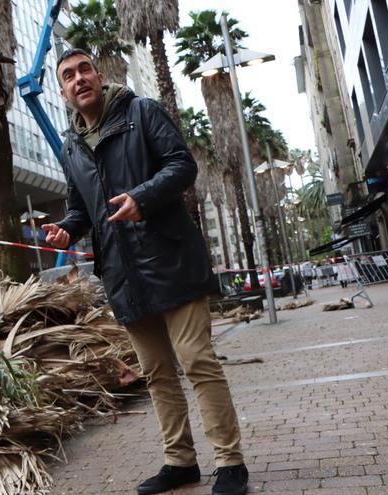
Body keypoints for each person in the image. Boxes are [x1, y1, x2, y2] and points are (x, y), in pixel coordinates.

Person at [42, 48, 248, 495]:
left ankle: (230, 462)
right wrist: (65, 230)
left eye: (84, 70)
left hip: (170, 259)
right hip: (122, 272)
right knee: (156, 371)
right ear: (62, 92)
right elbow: (82, 208)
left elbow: (182, 165)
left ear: (99, 76)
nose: (79, 79)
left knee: (197, 360)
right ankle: (180, 462)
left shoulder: (141, 112)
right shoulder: (70, 146)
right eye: (68, 76)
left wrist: (143, 197)